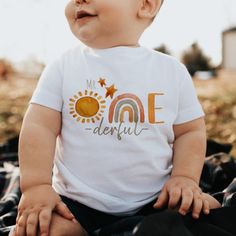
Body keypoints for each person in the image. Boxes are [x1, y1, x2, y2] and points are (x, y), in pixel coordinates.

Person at [13, 0, 218, 235]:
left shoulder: (172, 72)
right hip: (77, 204)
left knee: (206, 212)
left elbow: (190, 131)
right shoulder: (63, 67)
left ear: (146, 5)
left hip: (156, 201)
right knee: (37, 230)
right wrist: (36, 186)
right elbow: (39, 126)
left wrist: (185, 177)